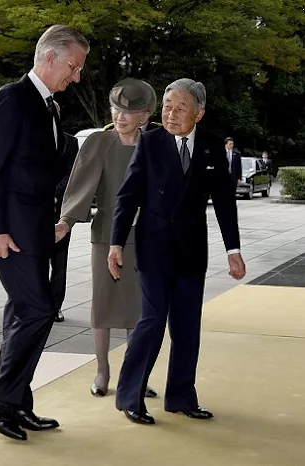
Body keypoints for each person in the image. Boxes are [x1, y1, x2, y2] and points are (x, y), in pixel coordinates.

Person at [108, 78, 246, 426]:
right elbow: (128, 196)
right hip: (154, 249)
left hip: (191, 251)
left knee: (187, 327)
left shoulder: (214, 148)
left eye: (180, 107)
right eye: (167, 106)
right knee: (152, 321)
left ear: (198, 113)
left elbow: (226, 204)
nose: (170, 113)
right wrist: (116, 243)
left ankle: (181, 398)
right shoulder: (151, 142)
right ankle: (130, 397)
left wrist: (233, 250)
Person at [0, 25, 89, 441]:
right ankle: (2, 400)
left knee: (26, 312)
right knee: (39, 308)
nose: (76, 77)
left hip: (38, 229)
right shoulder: (12, 98)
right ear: (51, 58)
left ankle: (19, 402)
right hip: (11, 231)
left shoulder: (50, 108)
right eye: (74, 67)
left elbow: (49, 169)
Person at [56, 78, 158, 399]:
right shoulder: (99, 143)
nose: (120, 116)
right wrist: (66, 221)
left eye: (130, 111)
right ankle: (102, 370)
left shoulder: (155, 145)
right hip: (106, 237)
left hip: (147, 238)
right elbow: (80, 186)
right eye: (116, 109)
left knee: (139, 311)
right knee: (103, 305)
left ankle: (135, 374)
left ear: (144, 115)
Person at [51, 122, 79, 323]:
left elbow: (73, 173)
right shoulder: (30, 136)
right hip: (33, 210)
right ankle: (37, 305)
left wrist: (54, 193)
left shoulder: (71, 142)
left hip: (61, 210)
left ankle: (55, 306)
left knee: (59, 261)